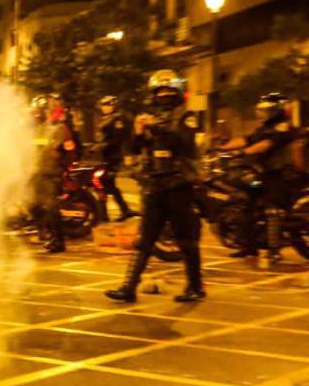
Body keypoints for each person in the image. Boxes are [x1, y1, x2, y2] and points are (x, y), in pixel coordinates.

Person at [106, 70, 205, 303]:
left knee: (185, 239)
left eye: (169, 91)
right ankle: (128, 287)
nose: (165, 95)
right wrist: (139, 132)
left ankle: (195, 286)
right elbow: (134, 148)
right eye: (160, 91)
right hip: (154, 184)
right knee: (145, 239)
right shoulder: (151, 117)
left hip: (179, 185)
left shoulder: (186, 117)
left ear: (178, 93)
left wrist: (155, 128)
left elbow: (182, 141)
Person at [217, 93, 299, 263]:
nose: (261, 114)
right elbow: (247, 139)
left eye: (265, 111)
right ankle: (249, 247)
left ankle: (274, 251)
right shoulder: (265, 128)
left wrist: (242, 153)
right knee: (247, 203)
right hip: (266, 172)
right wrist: (222, 148)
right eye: (261, 111)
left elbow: (265, 145)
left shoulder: (283, 127)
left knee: (272, 208)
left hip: (281, 173)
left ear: (276, 111)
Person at [31, 95, 78, 253]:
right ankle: (44, 232)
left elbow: (71, 152)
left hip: (52, 173)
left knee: (51, 207)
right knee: (34, 205)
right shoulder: (41, 128)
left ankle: (58, 241)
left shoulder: (61, 129)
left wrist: (64, 169)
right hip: (38, 172)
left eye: (42, 110)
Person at [96, 94, 138, 222]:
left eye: (108, 105)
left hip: (111, 157)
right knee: (104, 185)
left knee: (103, 185)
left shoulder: (117, 119)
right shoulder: (104, 119)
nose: (105, 108)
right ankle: (122, 210)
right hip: (102, 157)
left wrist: (103, 146)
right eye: (103, 105)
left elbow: (117, 139)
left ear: (114, 106)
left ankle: (105, 215)